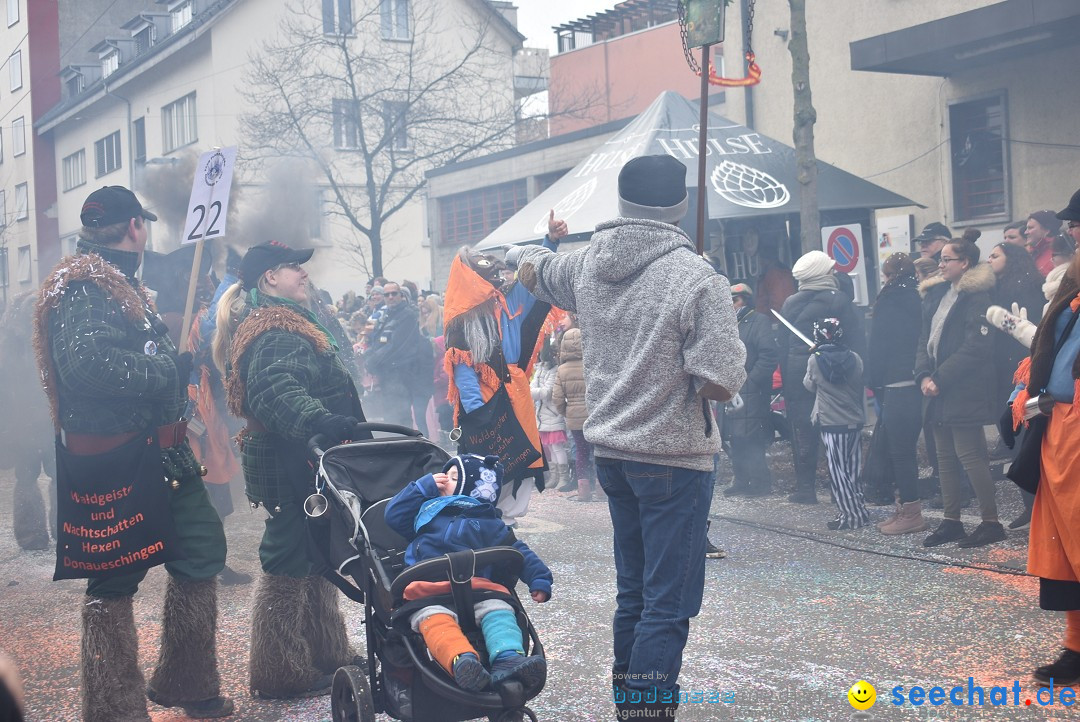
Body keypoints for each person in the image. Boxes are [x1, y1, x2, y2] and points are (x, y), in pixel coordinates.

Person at [507, 154, 746, 720]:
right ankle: (645, 713)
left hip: (612, 453)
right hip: (674, 458)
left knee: (635, 593)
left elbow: (533, 266)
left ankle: (630, 707)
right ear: (681, 207)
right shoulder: (699, 278)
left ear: (620, 203)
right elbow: (720, 381)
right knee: (667, 603)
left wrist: (531, 248)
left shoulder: (588, 265)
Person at [33, 185, 232, 719]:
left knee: (201, 553)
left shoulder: (120, 285)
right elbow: (87, 367)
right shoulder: (81, 286)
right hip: (118, 457)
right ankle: (114, 704)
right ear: (136, 227)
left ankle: (188, 681)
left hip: (165, 455)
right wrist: (170, 368)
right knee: (114, 579)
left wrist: (173, 359)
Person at [211, 241, 367, 699]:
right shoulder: (275, 328)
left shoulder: (284, 319)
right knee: (288, 561)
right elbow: (275, 392)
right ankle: (279, 670)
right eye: (292, 267)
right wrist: (321, 419)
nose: (302, 273)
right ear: (268, 280)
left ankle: (324, 651)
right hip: (293, 463)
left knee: (315, 557)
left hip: (305, 461)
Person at [384, 453, 551, 692]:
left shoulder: (490, 523)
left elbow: (517, 550)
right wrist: (422, 488)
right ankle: (461, 661)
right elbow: (393, 516)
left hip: (479, 588)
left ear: (472, 489)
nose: (442, 479)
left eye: (452, 477)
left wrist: (539, 578)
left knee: (500, 610)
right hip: (429, 589)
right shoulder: (426, 514)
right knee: (432, 618)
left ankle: (508, 658)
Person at [443, 212, 565, 526]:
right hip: (486, 406)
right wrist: (479, 413)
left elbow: (532, 281)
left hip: (516, 395)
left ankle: (506, 521)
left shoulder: (507, 303)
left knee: (521, 461)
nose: (498, 280)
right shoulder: (462, 324)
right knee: (489, 466)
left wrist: (550, 241)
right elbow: (464, 372)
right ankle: (489, 521)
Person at [1007, 191, 1080, 687]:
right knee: (1064, 550)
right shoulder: (1072, 286)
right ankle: (1077, 648)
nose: (1073, 233)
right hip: (1063, 429)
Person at [915, 238, 1003, 548]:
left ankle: (991, 522)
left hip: (964, 389)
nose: (941, 264)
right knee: (944, 458)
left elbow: (976, 347)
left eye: (947, 259)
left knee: (970, 456)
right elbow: (925, 339)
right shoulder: (941, 294)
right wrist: (923, 374)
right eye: (940, 259)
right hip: (938, 388)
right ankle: (951, 522)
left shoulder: (977, 297)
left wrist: (940, 378)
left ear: (964, 263)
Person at [777, 250, 862, 504]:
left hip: (796, 374)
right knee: (834, 429)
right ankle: (840, 489)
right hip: (835, 372)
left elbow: (782, 344)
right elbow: (855, 339)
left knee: (802, 429)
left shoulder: (790, 303)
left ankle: (806, 487)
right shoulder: (840, 300)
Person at [868, 253, 928, 535]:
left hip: (895, 381)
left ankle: (911, 512)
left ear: (890, 275)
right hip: (914, 377)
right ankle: (904, 508)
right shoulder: (918, 297)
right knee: (904, 450)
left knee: (901, 451)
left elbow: (879, 344)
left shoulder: (890, 300)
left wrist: (872, 379)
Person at [0, 292, 56, 550]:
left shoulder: (10, 340)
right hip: (36, 420)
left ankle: (35, 536)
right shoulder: (21, 342)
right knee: (48, 477)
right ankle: (57, 530)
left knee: (32, 477)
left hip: (37, 420)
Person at [804, 318, 869, 530]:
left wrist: (815, 352)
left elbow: (809, 385)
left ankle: (851, 516)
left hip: (832, 423)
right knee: (853, 471)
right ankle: (860, 511)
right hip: (854, 421)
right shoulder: (855, 357)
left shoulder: (815, 359)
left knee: (838, 473)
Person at [723, 283, 778, 498]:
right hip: (731, 388)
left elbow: (768, 357)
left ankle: (760, 482)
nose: (731, 303)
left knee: (751, 437)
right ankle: (742, 480)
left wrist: (751, 381)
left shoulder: (760, 321)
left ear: (745, 299)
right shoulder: (728, 323)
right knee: (735, 438)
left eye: (735, 299)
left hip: (752, 389)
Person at [365, 281, 432, 435]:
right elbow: (377, 342)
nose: (390, 297)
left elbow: (396, 345)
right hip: (388, 375)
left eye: (394, 293)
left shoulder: (407, 315)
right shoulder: (386, 316)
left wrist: (373, 360)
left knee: (401, 418)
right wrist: (370, 355)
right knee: (391, 417)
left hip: (402, 375)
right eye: (387, 294)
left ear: (401, 295)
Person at [553, 328, 595, 501]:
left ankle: (583, 491)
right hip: (593, 416)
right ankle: (600, 489)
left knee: (581, 453)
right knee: (598, 452)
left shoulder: (562, 370)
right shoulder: (591, 365)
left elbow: (557, 399)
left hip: (574, 419)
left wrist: (567, 412)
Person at [531, 338, 571, 493]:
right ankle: (554, 477)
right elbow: (535, 387)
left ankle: (563, 477)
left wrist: (527, 392)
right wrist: (533, 392)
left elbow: (546, 392)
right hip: (542, 415)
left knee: (557, 447)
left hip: (552, 414)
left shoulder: (554, 370)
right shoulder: (540, 369)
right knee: (550, 447)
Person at [754, 245, 796, 316]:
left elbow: (778, 303)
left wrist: (774, 323)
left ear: (766, 259)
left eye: (760, 258)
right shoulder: (777, 273)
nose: (760, 262)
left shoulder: (775, 274)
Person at [1027, 210, 1063, 277]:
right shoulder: (1032, 252)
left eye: (1030, 228)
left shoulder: (1059, 253)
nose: (1026, 232)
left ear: (1046, 230)